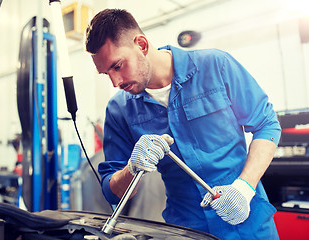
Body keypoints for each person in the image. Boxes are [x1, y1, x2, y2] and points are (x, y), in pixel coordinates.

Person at [85, 8, 281, 240]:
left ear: (142, 45)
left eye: (117, 66)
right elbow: (112, 191)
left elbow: (266, 124)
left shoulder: (216, 66)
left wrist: (244, 188)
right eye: (106, 73)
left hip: (247, 223)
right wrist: (132, 168)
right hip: (186, 230)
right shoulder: (119, 110)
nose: (115, 81)